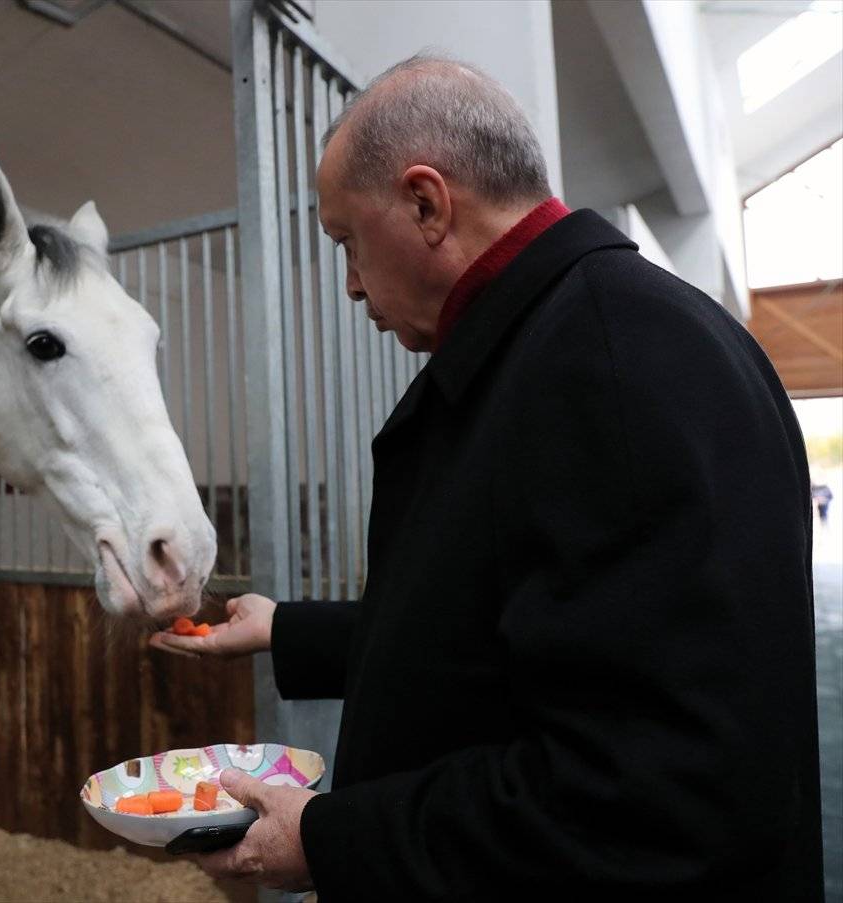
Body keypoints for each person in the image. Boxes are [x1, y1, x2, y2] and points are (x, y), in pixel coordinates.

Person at [152, 54, 823, 901]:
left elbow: (657, 796)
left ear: (427, 204)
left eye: (347, 241)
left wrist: (332, 838)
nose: (353, 283)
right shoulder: (576, 340)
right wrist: (291, 630)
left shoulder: (609, 369)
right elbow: (507, 637)